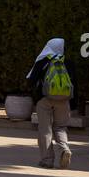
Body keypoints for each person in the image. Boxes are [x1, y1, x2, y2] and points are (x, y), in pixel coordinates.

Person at [27, 38, 73, 169]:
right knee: (60, 127)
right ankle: (64, 149)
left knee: (45, 129)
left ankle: (47, 160)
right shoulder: (68, 63)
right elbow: (74, 84)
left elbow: (31, 80)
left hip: (44, 99)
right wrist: (73, 103)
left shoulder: (42, 61)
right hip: (64, 100)